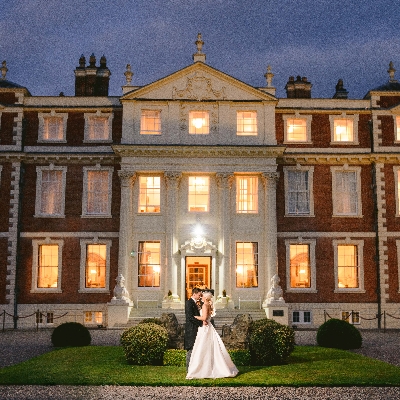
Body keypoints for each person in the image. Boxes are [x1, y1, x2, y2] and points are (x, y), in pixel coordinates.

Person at [186, 291, 238, 379]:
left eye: (202, 296)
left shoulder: (205, 305)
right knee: (208, 349)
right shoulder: (208, 305)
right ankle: (207, 368)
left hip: (205, 329)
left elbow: (204, 318)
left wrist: (194, 317)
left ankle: (203, 370)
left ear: (206, 298)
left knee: (203, 348)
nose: (201, 297)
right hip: (207, 327)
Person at [184, 287, 204, 371]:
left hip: (195, 329)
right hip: (191, 329)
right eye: (199, 295)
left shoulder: (196, 303)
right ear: (194, 294)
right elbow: (190, 317)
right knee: (191, 349)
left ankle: (194, 368)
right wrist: (200, 323)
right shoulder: (189, 303)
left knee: (195, 349)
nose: (200, 296)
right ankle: (189, 369)